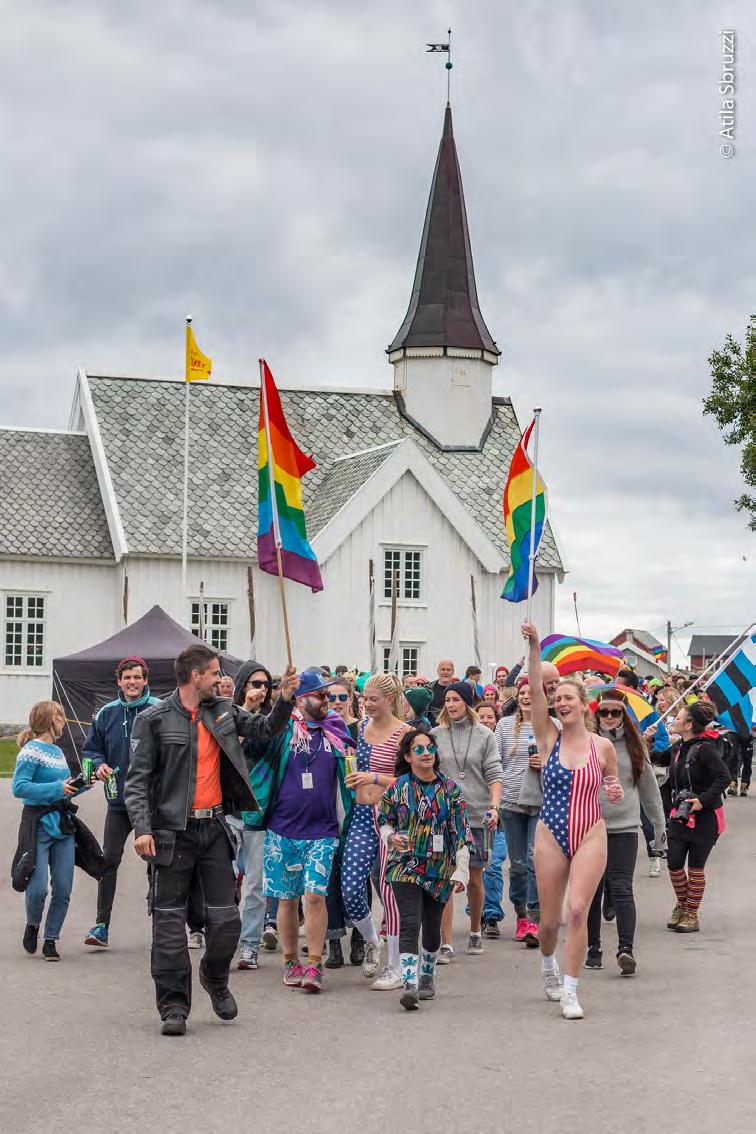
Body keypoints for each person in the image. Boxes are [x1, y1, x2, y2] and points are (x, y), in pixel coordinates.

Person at [125, 643, 298, 1036]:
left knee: (225, 920)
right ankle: (173, 1006)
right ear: (195, 676)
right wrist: (143, 829)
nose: (222, 679)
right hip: (171, 833)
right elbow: (135, 782)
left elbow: (265, 728)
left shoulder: (222, 710)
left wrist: (284, 699)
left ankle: (215, 978)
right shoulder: (154, 719)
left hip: (215, 829)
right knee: (168, 924)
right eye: (216, 672)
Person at [522, 620, 623, 1020]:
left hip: (591, 833)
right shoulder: (548, 737)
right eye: (556, 698)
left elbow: (612, 785)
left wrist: (612, 790)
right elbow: (533, 686)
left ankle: (570, 988)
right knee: (549, 921)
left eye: (568, 698)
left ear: (584, 705)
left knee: (578, 910)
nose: (560, 702)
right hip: (551, 832)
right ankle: (548, 963)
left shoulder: (603, 747)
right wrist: (534, 648)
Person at [257, 668, 356, 993]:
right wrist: (280, 698)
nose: (329, 700)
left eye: (330, 695)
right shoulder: (283, 732)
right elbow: (259, 736)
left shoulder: (337, 733)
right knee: (287, 900)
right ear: (302, 699)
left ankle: (314, 964)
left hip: (323, 832)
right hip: (281, 831)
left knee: (314, 897)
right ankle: (290, 961)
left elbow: (350, 780)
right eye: (322, 695)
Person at [377, 729, 474, 1009]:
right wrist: (390, 837)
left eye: (429, 748)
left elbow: (461, 833)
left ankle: (427, 975)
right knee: (410, 921)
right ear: (407, 756)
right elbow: (385, 820)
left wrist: (461, 871)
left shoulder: (451, 790)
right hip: (404, 864)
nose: (426, 753)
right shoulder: (397, 788)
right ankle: (409, 983)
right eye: (418, 749)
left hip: (439, 867)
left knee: (432, 928)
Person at [79, 657, 160, 949]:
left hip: (152, 805)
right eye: (127, 678)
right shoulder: (106, 713)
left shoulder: (159, 709)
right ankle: (101, 926)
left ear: (145, 679)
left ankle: (161, 927)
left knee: (156, 864)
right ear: (119, 681)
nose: (132, 682)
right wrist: (98, 765)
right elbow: (90, 752)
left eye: (137, 677)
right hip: (117, 803)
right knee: (108, 861)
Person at [585, 688, 666, 975]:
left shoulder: (635, 746)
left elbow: (649, 791)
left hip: (626, 827)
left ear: (624, 714)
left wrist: (659, 828)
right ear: (597, 713)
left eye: (614, 712)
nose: (608, 717)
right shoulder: (587, 743)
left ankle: (625, 949)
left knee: (621, 887)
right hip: (591, 827)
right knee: (592, 891)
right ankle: (593, 947)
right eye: (603, 712)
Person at [341, 673, 409, 990]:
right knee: (351, 886)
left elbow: (412, 783)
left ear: (390, 699)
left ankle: (396, 966)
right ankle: (372, 939)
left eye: (373, 699)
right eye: (364, 698)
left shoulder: (404, 734)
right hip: (360, 814)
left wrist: (374, 777)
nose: (366, 704)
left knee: (390, 890)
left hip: (391, 819)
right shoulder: (357, 730)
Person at [11, 701, 90, 960]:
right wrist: (57, 788)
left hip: (63, 825)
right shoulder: (30, 752)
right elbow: (19, 788)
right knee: (38, 889)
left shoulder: (57, 751)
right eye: (61, 717)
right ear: (49, 719)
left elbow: (64, 787)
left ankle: (51, 939)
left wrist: (83, 784)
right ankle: (33, 924)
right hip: (38, 826)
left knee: (64, 888)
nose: (64, 722)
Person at [432, 682, 502, 959]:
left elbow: (495, 774)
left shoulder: (485, 735)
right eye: (447, 700)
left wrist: (494, 808)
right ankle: (446, 942)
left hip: (477, 814)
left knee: (474, 877)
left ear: (467, 702)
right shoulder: (435, 735)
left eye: (456, 700)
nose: (450, 705)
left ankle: (475, 930)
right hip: (445, 816)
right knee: (447, 879)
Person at [665, 701, 730, 934]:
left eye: (678, 718)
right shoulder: (678, 748)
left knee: (695, 868)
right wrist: (647, 739)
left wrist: (702, 800)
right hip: (679, 815)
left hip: (705, 818)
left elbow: (724, 778)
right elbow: (656, 759)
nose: (674, 721)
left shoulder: (706, 748)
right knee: (673, 863)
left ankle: (691, 913)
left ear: (689, 724)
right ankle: (682, 905)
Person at [232, 660, 276, 971]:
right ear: (244, 686)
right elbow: (230, 748)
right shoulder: (228, 714)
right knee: (238, 881)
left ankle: (253, 943)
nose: (260, 690)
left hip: (270, 810)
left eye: (265, 685)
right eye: (255, 684)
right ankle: (238, 940)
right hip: (236, 810)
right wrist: (246, 710)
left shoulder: (277, 720)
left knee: (261, 884)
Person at [323, 678, 366, 969]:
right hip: (326, 810)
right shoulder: (319, 729)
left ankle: (361, 938)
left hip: (357, 811)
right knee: (328, 881)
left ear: (351, 698)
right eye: (331, 697)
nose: (337, 701)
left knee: (357, 880)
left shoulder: (361, 730)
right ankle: (334, 943)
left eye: (341, 696)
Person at [495, 677, 541, 946]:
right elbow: (495, 762)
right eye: (522, 692)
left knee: (535, 859)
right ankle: (521, 912)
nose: (526, 697)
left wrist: (545, 762)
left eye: (531, 692)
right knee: (518, 864)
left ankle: (536, 916)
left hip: (539, 801)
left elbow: (561, 761)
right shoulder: (503, 726)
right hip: (511, 802)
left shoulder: (552, 725)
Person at [427, 659, 455, 726]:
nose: (446, 672)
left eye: (448, 670)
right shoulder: (428, 689)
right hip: (432, 728)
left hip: (453, 727)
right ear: (438, 671)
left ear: (453, 672)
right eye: (443, 669)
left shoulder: (459, 690)